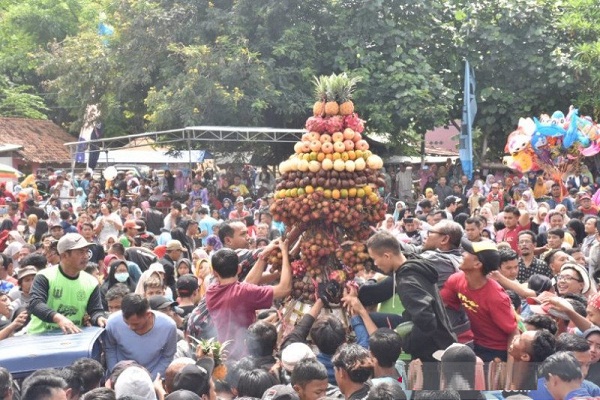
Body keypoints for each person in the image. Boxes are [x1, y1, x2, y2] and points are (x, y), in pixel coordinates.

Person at [365, 231, 456, 388]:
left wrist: (406, 344)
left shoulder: (407, 281)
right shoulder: (415, 264)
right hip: (445, 342)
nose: (375, 265)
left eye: (375, 259)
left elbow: (426, 320)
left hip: (432, 355)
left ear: (387, 256)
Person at [206, 241, 291, 360]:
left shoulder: (211, 290)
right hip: (245, 358)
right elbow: (284, 289)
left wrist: (263, 257)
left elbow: (248, 284)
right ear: (239, 269)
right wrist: (285, 253)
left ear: (215, 273)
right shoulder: (243, 293)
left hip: (224, 355)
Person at [440, 238, 518, 362]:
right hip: (472, 344)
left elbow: (513, 332)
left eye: (467, 252)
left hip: (496, 351)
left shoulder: (496, 297)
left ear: (477, 264)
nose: (462, 253)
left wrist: (508, 372)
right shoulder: (456, 280)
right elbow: (442, 305)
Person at [28, 233, 107, 334]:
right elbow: (35, 304)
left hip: (72, 337)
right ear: (64, 255)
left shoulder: (91, 282)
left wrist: (99, 318)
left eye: (87, 251)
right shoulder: (44, 276)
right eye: (81, 252)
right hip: (41, 337)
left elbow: (95, 310)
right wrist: (59, 318)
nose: (86, 256)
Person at [105, 293, 177, 379]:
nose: (130, 327)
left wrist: (151, 379)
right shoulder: (113, 322)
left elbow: (167, 356)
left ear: (148, 315)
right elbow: (110, 349)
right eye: (126, 323)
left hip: (153, 376)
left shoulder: (168, 326)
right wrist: (117, 376)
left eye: (136, 324)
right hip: (121, 376)